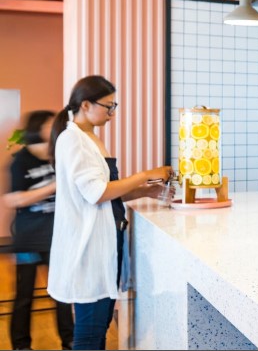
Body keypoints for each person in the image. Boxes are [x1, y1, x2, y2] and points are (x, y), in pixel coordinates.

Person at [47, 75, 172, 350]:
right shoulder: (72, 140)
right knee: (90, 336)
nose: (112, 113)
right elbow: (97, 193)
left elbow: (108, 194)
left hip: (107, 243)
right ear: (86, 105)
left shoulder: (89, 138)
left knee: (100, 328)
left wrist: (146, 191)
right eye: (108, 106)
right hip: (90, 247)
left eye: (114, 106)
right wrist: (144, 175)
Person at [4, 110, 73, 350]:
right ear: (38, 128)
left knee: (62, 294)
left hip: (57, 237)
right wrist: (53, 186)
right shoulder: (20, 161)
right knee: (24, 296)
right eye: (50, 125)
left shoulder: (58, 156)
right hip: (28, 240)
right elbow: (13, 199)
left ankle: (69, 342)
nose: (55, 129)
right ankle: (21, 345)